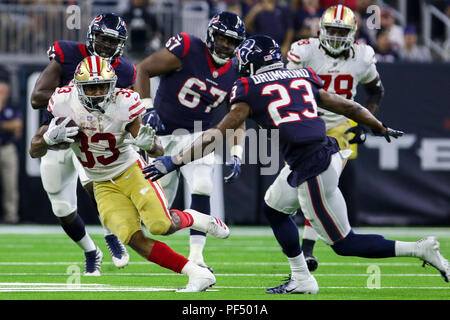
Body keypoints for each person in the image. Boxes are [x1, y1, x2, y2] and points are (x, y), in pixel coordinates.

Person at [143, 34, 450, 294]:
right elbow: (348, 105)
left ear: (252, 63)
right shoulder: (301, 75)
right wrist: (379, 126)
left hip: (312, 166)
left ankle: (419, 249)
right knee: (274, 208)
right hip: (318, 154)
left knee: (344, 243)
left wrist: (173, 161)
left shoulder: (249, 88)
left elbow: (215, 134)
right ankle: (301, 278)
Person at [29, 56, 230, 292]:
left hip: (130, 170)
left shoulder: (124, 102)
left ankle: (196, 218)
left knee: (160, 225)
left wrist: (148, 144)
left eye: (103, 86)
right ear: (78, 87)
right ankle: (196, 273)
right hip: (101, 181)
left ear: (112, 85)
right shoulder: (63, 101)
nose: (97, 93)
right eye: (91, 87)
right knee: (133, 239)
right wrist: (48, 140)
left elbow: (157, 148)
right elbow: (35, 149)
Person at [134, 11, 246, 272]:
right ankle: (193, 219)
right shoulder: (187, 48)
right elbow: (144, 69)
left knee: (203, 184)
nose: (226, 45)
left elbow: (238, 115)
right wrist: (147, 109)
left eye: (232, 41)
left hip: (198, 135)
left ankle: (197, 257)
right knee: (157, 223)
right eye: (221, 38)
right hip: (161, 136)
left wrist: (238, 152)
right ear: (210, 34)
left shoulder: (236, 72)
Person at [30, 13, 134, 275]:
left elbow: (129, 110)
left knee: (94, 187)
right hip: (61, 131)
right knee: (61, 206)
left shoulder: (124, 70)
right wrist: (76, 102)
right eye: (102, 38)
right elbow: (36, 97)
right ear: (91, 36)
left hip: (92, 136)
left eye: (113, 41)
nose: (107, 45)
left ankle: (112, 235)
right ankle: (91, 251)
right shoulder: (67, 53)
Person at [286, 4, 385, 271]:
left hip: (339, 127)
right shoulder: (305, 50)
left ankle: (306, 250)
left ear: (352, 32)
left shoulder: (363, 57)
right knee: (301, 190)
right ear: (321, 29)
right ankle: (306, 247)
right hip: (306, 123)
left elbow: (375, 92)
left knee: (317, 186)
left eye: (342, 32)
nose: (337, 36)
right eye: (331, 30)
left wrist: (364, 123)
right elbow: (284, 85)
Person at [0, 68, 23, 224]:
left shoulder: (13, 108)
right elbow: (11, 126)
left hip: (7, 148)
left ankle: (11, 216)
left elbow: (17, 127)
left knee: (10, 185)